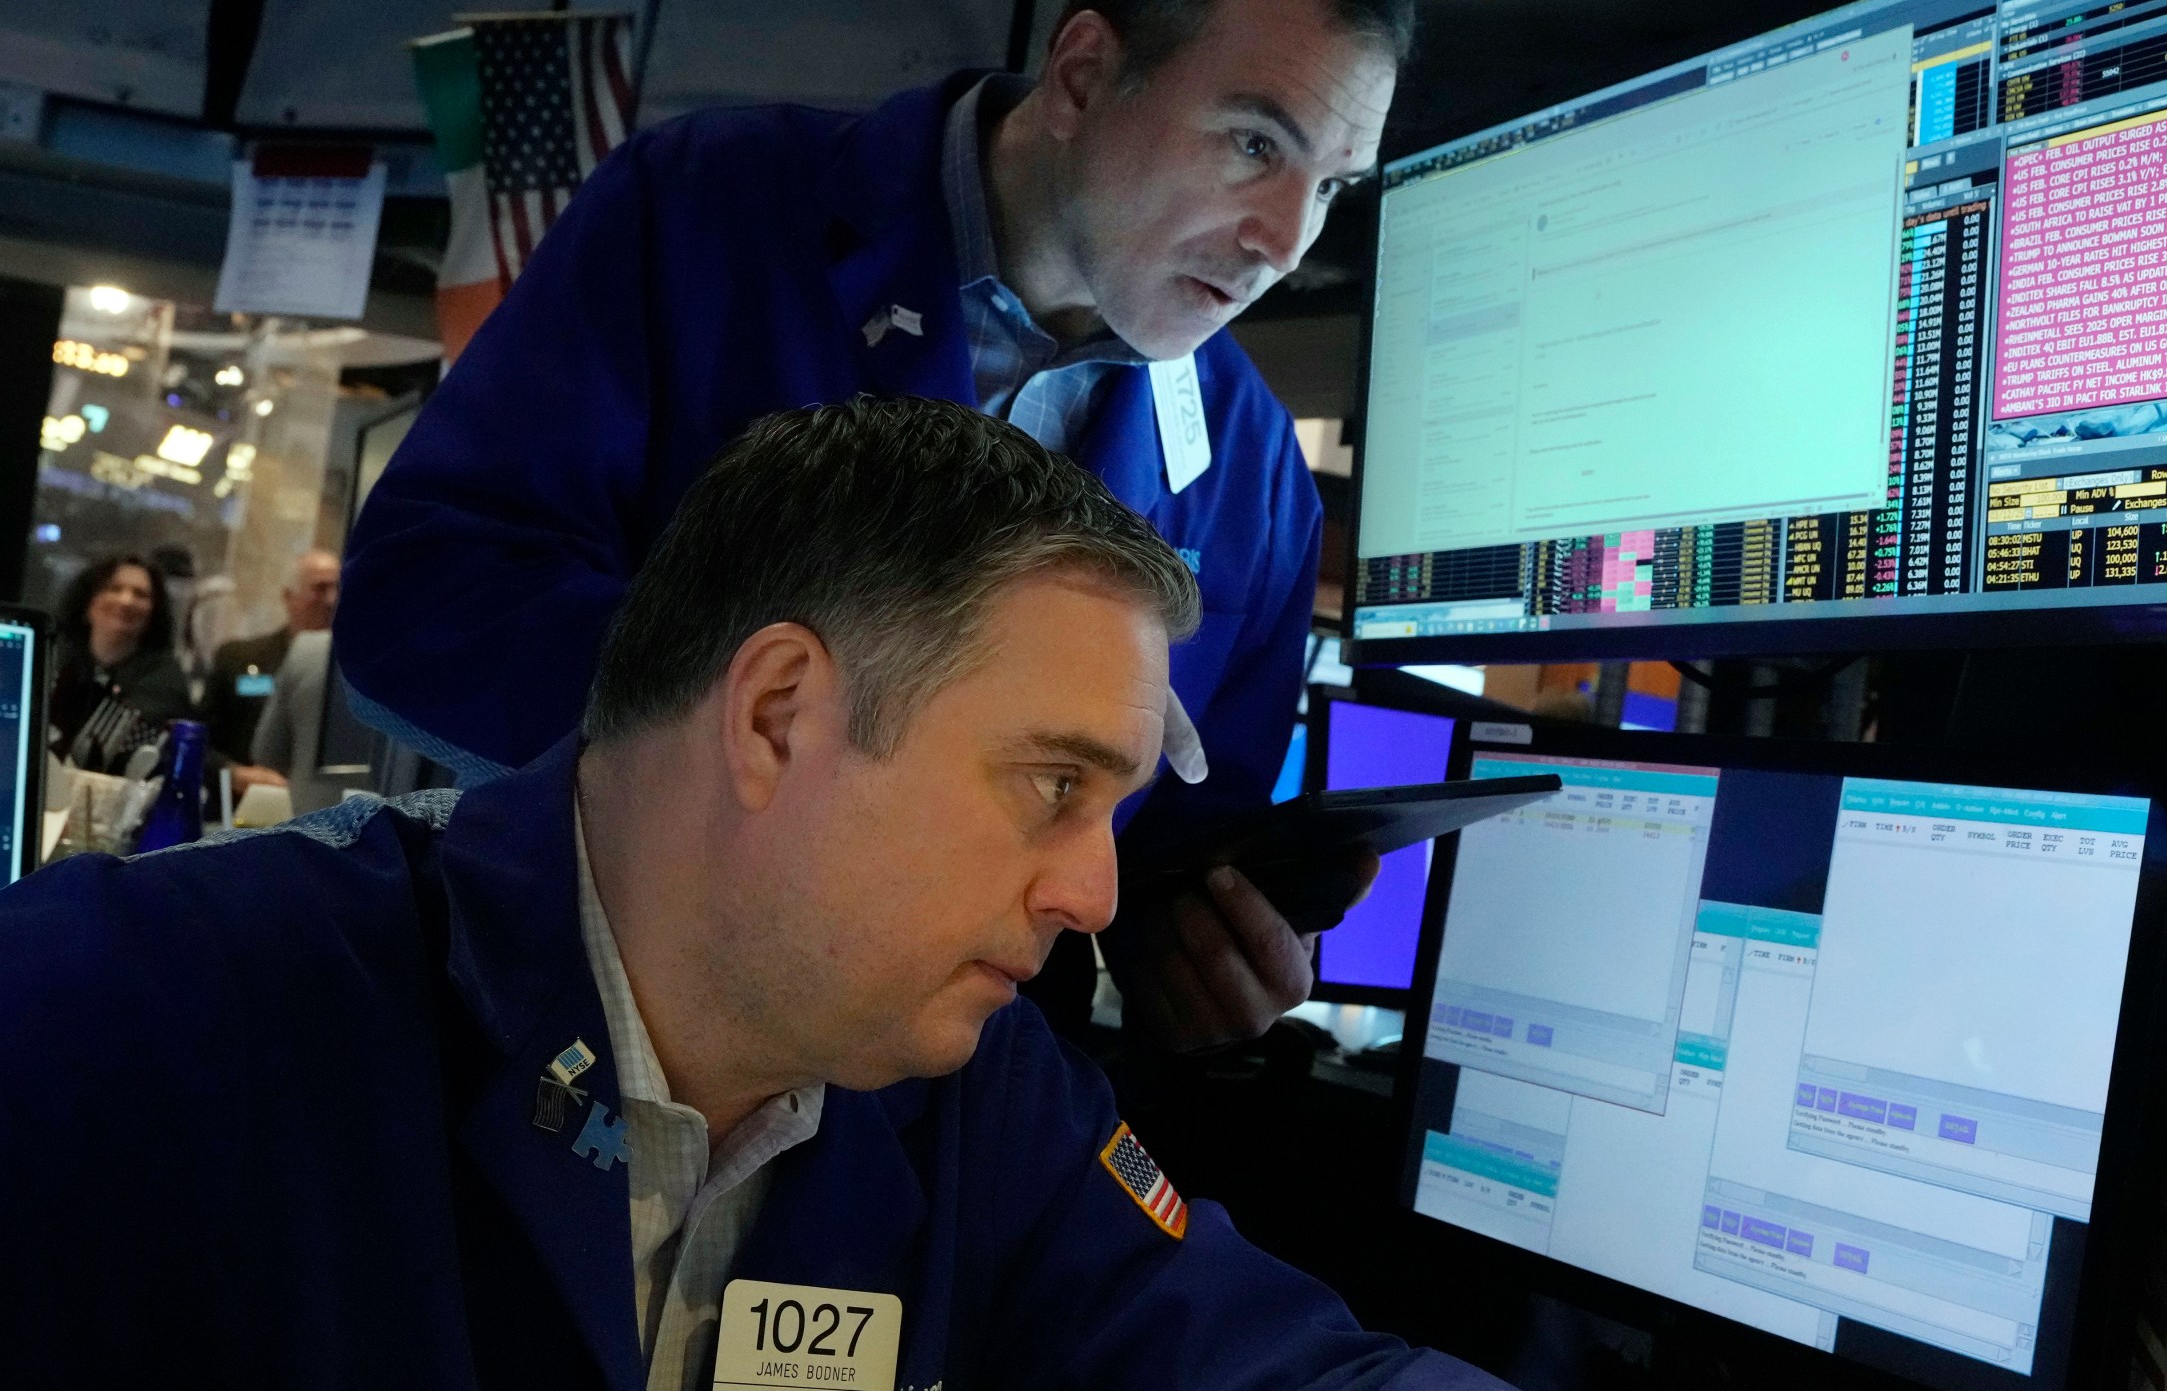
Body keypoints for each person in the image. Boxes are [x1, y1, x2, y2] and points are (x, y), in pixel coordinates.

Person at [0, 399, 1506, 1391]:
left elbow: (1286, 1372)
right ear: (778, 713)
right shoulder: (136, 1017)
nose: (1099, 896)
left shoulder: (975, 1098)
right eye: (1056, 786)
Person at [338, 0, 1411, 1050]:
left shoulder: (1257, 470)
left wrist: (1206, 947)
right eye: (1253, 144)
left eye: (1331, 187)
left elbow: (1156, 858)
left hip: (947, 1125)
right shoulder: (709, 206)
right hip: (580, 1021)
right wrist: (810, 734)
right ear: (1084, 73)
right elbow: (425, 600)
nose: (1285, 243)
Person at [47, 553, 194, 772]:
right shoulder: (55, 658)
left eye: (140, 594)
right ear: (88, 601)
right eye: (114, 589)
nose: (126, 601)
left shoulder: (165, 682)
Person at [201, 548, 340, 767]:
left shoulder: (350, 674)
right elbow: (199, 741)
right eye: (320, 588)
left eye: (338, 589)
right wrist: (236, 774)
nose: (332, 600)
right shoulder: (238, 660)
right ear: (289, 596)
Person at [249, 624, 335, 815]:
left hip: (314, 824)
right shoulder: (409, 655)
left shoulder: (307, 651)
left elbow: (267, 753)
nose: (329, 600)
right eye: (318, 591)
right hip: (402, 827)